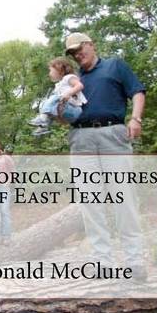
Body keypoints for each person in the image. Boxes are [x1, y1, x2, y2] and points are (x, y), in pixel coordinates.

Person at [65, 32, 147, 279]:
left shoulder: (115, 65)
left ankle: (134, 261)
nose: (78, 54)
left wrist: (135, 118)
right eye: (72, 53)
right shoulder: (72, 79)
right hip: (81, 138)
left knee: (124, 199)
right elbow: (66, 113)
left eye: (80, 48)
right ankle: (103, 262)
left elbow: (138, 91)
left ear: (91, 44)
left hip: (113, 134)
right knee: (90, 203)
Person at [28, 57, 87, 136]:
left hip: (75, 109)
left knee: (54, 98)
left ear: (60, 70)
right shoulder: (59, 85)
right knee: (47, 102)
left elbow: (79, 85)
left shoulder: (68, 77)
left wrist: (68, 93)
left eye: (51, 70)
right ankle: (44, 126)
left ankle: (43, 118)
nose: (49, 73)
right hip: (68, 112)